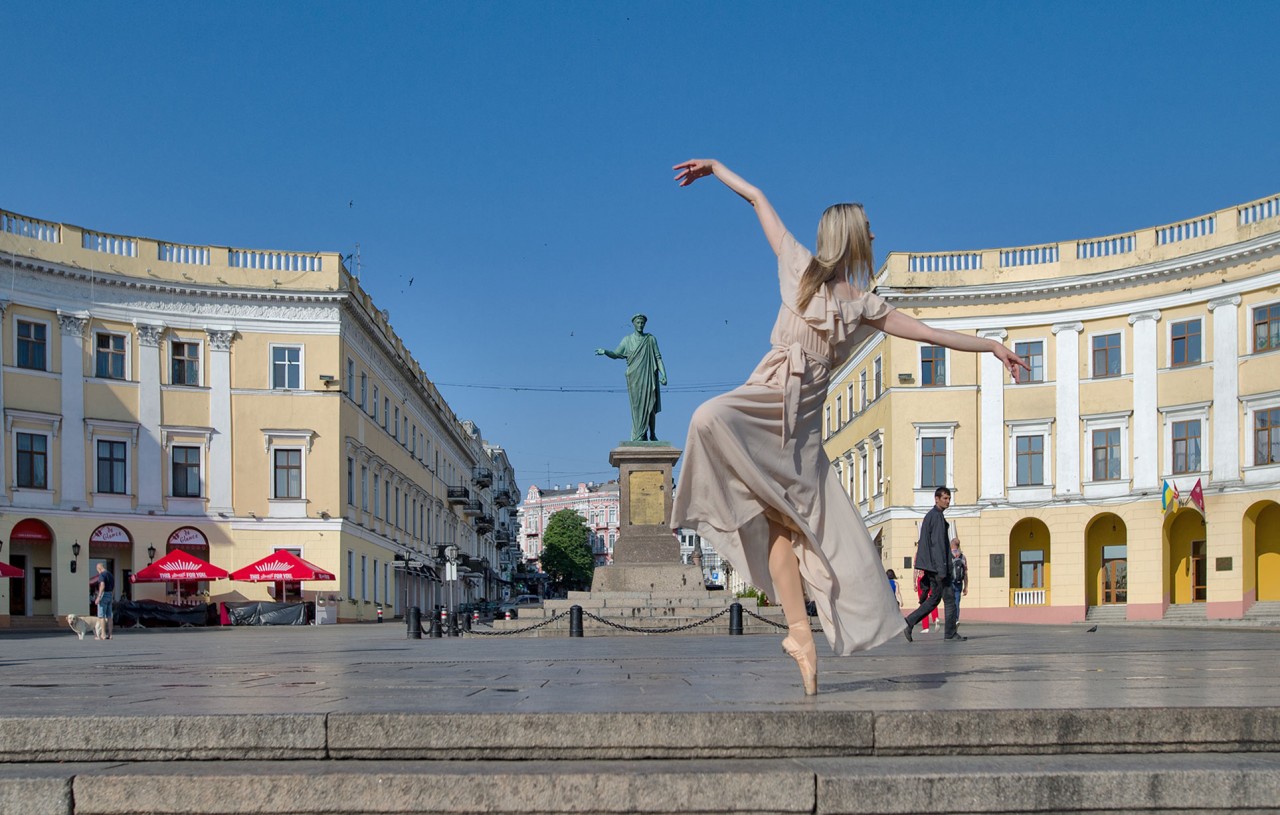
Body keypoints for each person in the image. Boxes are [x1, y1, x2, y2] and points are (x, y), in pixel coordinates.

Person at [670, 159, 1027, 694]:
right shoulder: (802, 269)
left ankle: (802, 638)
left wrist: (991, 346)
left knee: (787, 533)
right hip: (768, 407)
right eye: (869, 229)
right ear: (851, 238)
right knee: (709, 420)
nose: (876, 235)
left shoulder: (858, 302)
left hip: (801, 435)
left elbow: (929, 333)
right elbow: (757, 199)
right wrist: (717, 168)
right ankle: (799, 634)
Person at [596, 314, 668, 442]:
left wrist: (664, 374)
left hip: (649, 376)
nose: (640, 325)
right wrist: (605, 352)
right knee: (637, 407)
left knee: (650, 405)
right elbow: (616, 354)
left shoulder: (650, 339)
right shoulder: (627, 340)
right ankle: (640, 434)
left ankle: (652, 434)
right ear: (634, 324)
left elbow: (658, 358)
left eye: (642, 323)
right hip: (634, 378)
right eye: (638, 323)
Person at [904, 487, 963, 642]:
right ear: (936, 499)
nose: (948, 501)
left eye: (949, 498)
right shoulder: (936, 517)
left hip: (933, 566)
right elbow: (937, 546)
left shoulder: (932, 516)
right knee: (950, 600)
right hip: (939, 568)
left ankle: (909, 622)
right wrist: (942, 569)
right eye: (944, 498)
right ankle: (950, 634)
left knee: (934, 600)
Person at [950, 536, 969, 629]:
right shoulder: (963, 556)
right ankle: (956, 619)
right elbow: (965, 573)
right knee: (957, 602)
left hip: (949, 582)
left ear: (952, 545)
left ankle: (950, 621)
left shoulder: (948, 555)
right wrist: (966, 586)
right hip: (959, 583)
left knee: (949, 602)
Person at [914, 568, 939, 633]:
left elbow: (915, 571)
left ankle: (926, 627)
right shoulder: (931, 557)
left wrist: (914, 583)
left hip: (921, 579)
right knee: (932, 599)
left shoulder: (918, 558)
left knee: (923, 602)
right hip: (930, 579)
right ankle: (935, 617)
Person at [94, 562, 115, 640]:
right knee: (109, 616)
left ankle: (103, 634)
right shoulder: (111, 575)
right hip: (110, 595)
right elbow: (113, 587)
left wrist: (99, 597)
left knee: (101, 616)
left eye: (97, 570)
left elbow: (102, 585)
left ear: (99, 568)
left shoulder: (102, 575)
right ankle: (110, 634)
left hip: (104, 595)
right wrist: (112, 596)